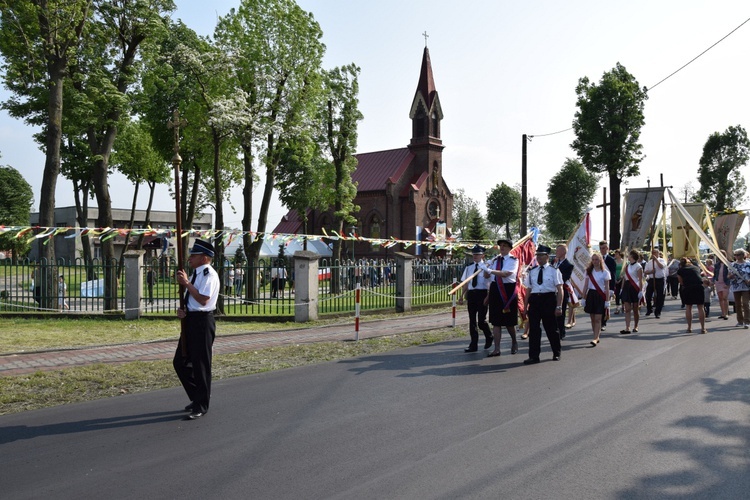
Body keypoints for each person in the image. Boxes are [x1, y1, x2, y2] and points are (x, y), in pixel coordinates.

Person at [174, 239, 220, 420]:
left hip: (202, 322)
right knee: (180, 362)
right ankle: (197, 396)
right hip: (191, 320)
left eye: (194, 255)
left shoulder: (209, 274)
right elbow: (193, 300)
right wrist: (183, 309)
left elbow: (203, 300)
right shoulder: (194, 274)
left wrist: (186, 284)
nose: (190, 258)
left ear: (204, 258)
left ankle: (201, 404)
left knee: (201, 365)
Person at [522, 245, 564, 363]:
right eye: (537, 255)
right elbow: (528, 290)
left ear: (546, 256)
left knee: (551, 328)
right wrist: (525, 307)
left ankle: (556, 352)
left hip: (549, 300)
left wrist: (559, 306)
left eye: (541, 255)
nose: (538, 258)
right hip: (535, 301)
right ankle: (534, 356)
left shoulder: (554, 270)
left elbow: (560, 289)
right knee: (534, 329)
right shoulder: (532, 271)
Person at [485, 238, 519, 357]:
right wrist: (486, 266)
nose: (502, 247)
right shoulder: (495, 260)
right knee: (496, 322)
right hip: (495, 290)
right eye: (501, 246)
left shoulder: (513, 260)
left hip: (508, 290)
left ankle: (514, 342)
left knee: (509, 322)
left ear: (510, 248)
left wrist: (490, 270)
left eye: (505, 245)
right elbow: (486, 276)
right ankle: (497, 349)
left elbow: (505, 274)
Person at [458, 244, 494, 352]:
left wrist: (488, 296)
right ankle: (473, 344)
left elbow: (491, 283)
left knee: (481, 321)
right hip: (472, 294)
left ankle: (489, 336)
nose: (475, 256)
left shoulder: (487, 267)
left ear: (483, 255)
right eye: (474, 254)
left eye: (477, 254)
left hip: (482, 294)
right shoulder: (469, 267)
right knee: (472, 320)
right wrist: (461, 295)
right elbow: (466, 282)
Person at [583, 253, 611, 346]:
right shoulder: (589, 271)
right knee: (592, 318)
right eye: (593, 259)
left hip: (600, 295)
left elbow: (607, 288)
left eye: (596, 259)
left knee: (598, 318)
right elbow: (586, 285)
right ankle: (595, 335)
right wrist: (583, 298)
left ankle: (595, 337)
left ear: (600, 261)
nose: (595, 261)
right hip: (591, 295)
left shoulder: (605, 272)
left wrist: (607, 301)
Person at [677, 257, 706, 334]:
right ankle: (703, 328)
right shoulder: (696, 267)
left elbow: (681, 282)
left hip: (688, 287)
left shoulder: (680, 270)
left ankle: (689, 327)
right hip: (698, 287)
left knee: (688, 307)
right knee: (700, 307)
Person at [553, 244, 574, 340]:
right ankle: (555, 330)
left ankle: (561, 331)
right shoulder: (554, 262)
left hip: (562, 291)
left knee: (561, 312)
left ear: (564, 252)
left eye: (558, 250)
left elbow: (564, 278)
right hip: (553, 291)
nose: (556, 252)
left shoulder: (568, 265)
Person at [619, 249, 643, 334]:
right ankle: (627, 327)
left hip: (634, 287)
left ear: (632, 256)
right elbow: (624, 279)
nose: (627, 256)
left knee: (635, 309)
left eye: (629, 255)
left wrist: (641, 291)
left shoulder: (638, 266)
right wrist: (621, 289)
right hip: (627, 287)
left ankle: (636, 326)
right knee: (627, 309)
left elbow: (640, 280)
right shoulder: (627, 266)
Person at [729, 248, 750, 329]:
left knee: (745, 304)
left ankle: (747, 321)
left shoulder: (748, 264)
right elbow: (728, 275)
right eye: (735, 255)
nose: (736, 256)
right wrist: (730, 276)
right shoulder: (732, 265)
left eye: (738, 255)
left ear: (743, 255)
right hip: (736, 286)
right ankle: (740, 321)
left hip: (746, 286)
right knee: (738, 304)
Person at [643, 248, 667, 318]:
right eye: (653, 252)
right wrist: (651, 272)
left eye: (655, 252)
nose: (654, 254)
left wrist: (656, 260)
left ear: (658, 253)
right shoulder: (649, 262)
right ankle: (649, 309)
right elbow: (645, 271)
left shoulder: (662, 260)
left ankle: (657, 312)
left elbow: (661, 266)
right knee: (648, 295)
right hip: (651, 280)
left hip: (659, 280)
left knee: (660, 296)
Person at [599, 241, 616, 331]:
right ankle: (598, 322)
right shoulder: (597, 259)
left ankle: (603, 323)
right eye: (601, 248)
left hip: (607, 286)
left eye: (604, 248)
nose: (602, 250)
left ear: (607, 249)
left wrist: (612, 288)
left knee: (605, 305)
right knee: (599, 305)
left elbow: (612, 275)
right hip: (598, 286)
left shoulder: (611, 260)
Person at [712, 250, 731, 320]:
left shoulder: (728, 264)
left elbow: (730, 274)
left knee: (725, 298)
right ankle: (722, 313)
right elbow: (714, 274)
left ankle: (726, 313)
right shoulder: (717, 265)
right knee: (720, 298)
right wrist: (713, 281)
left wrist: (728, 283)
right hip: (718, 282)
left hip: (725, 282)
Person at [613, 250, 624, 314]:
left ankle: (623, 306)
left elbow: (625, 270)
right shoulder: (614, 262)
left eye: (617, 254)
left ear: (620, 254)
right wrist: (615, 279)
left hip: (622, 279)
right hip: (616, 279)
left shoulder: (623, 261)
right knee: (617, 293)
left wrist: (621, 277)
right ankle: (617, 307)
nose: (615, 255)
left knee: (622, 292)